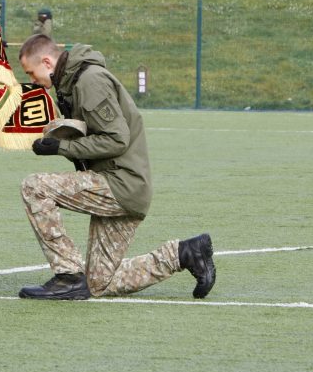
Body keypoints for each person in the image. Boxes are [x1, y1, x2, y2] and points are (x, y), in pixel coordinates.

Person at [16, 34, 216, 300]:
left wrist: (61, 148)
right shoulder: (74, 82)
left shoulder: (89, 81)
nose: (32, 80)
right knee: (98, 284)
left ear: (47, 61)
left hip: (120, 183)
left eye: (31, 72)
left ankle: (67, 276)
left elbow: (116, 139)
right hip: (127, 187)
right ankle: (184, 254)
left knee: (35, 187)